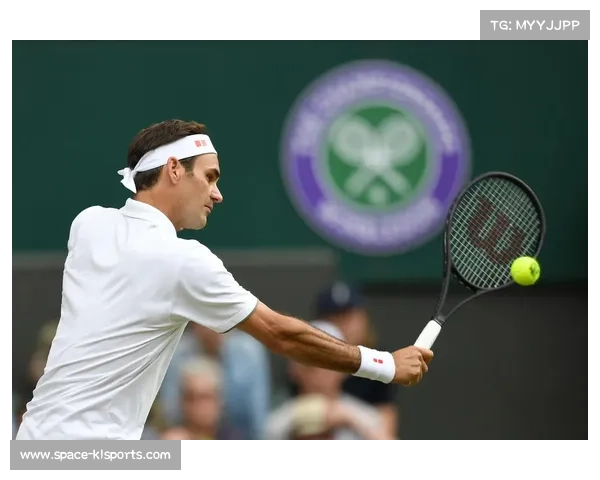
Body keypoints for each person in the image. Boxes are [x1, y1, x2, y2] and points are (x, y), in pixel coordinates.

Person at [16, 119, 433, 440]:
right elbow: (281, 334)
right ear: (174, 169)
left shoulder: (88, 225)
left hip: (33, 442)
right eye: (210, 176)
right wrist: (385, 365)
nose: (217, 194)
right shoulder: (184, 261)